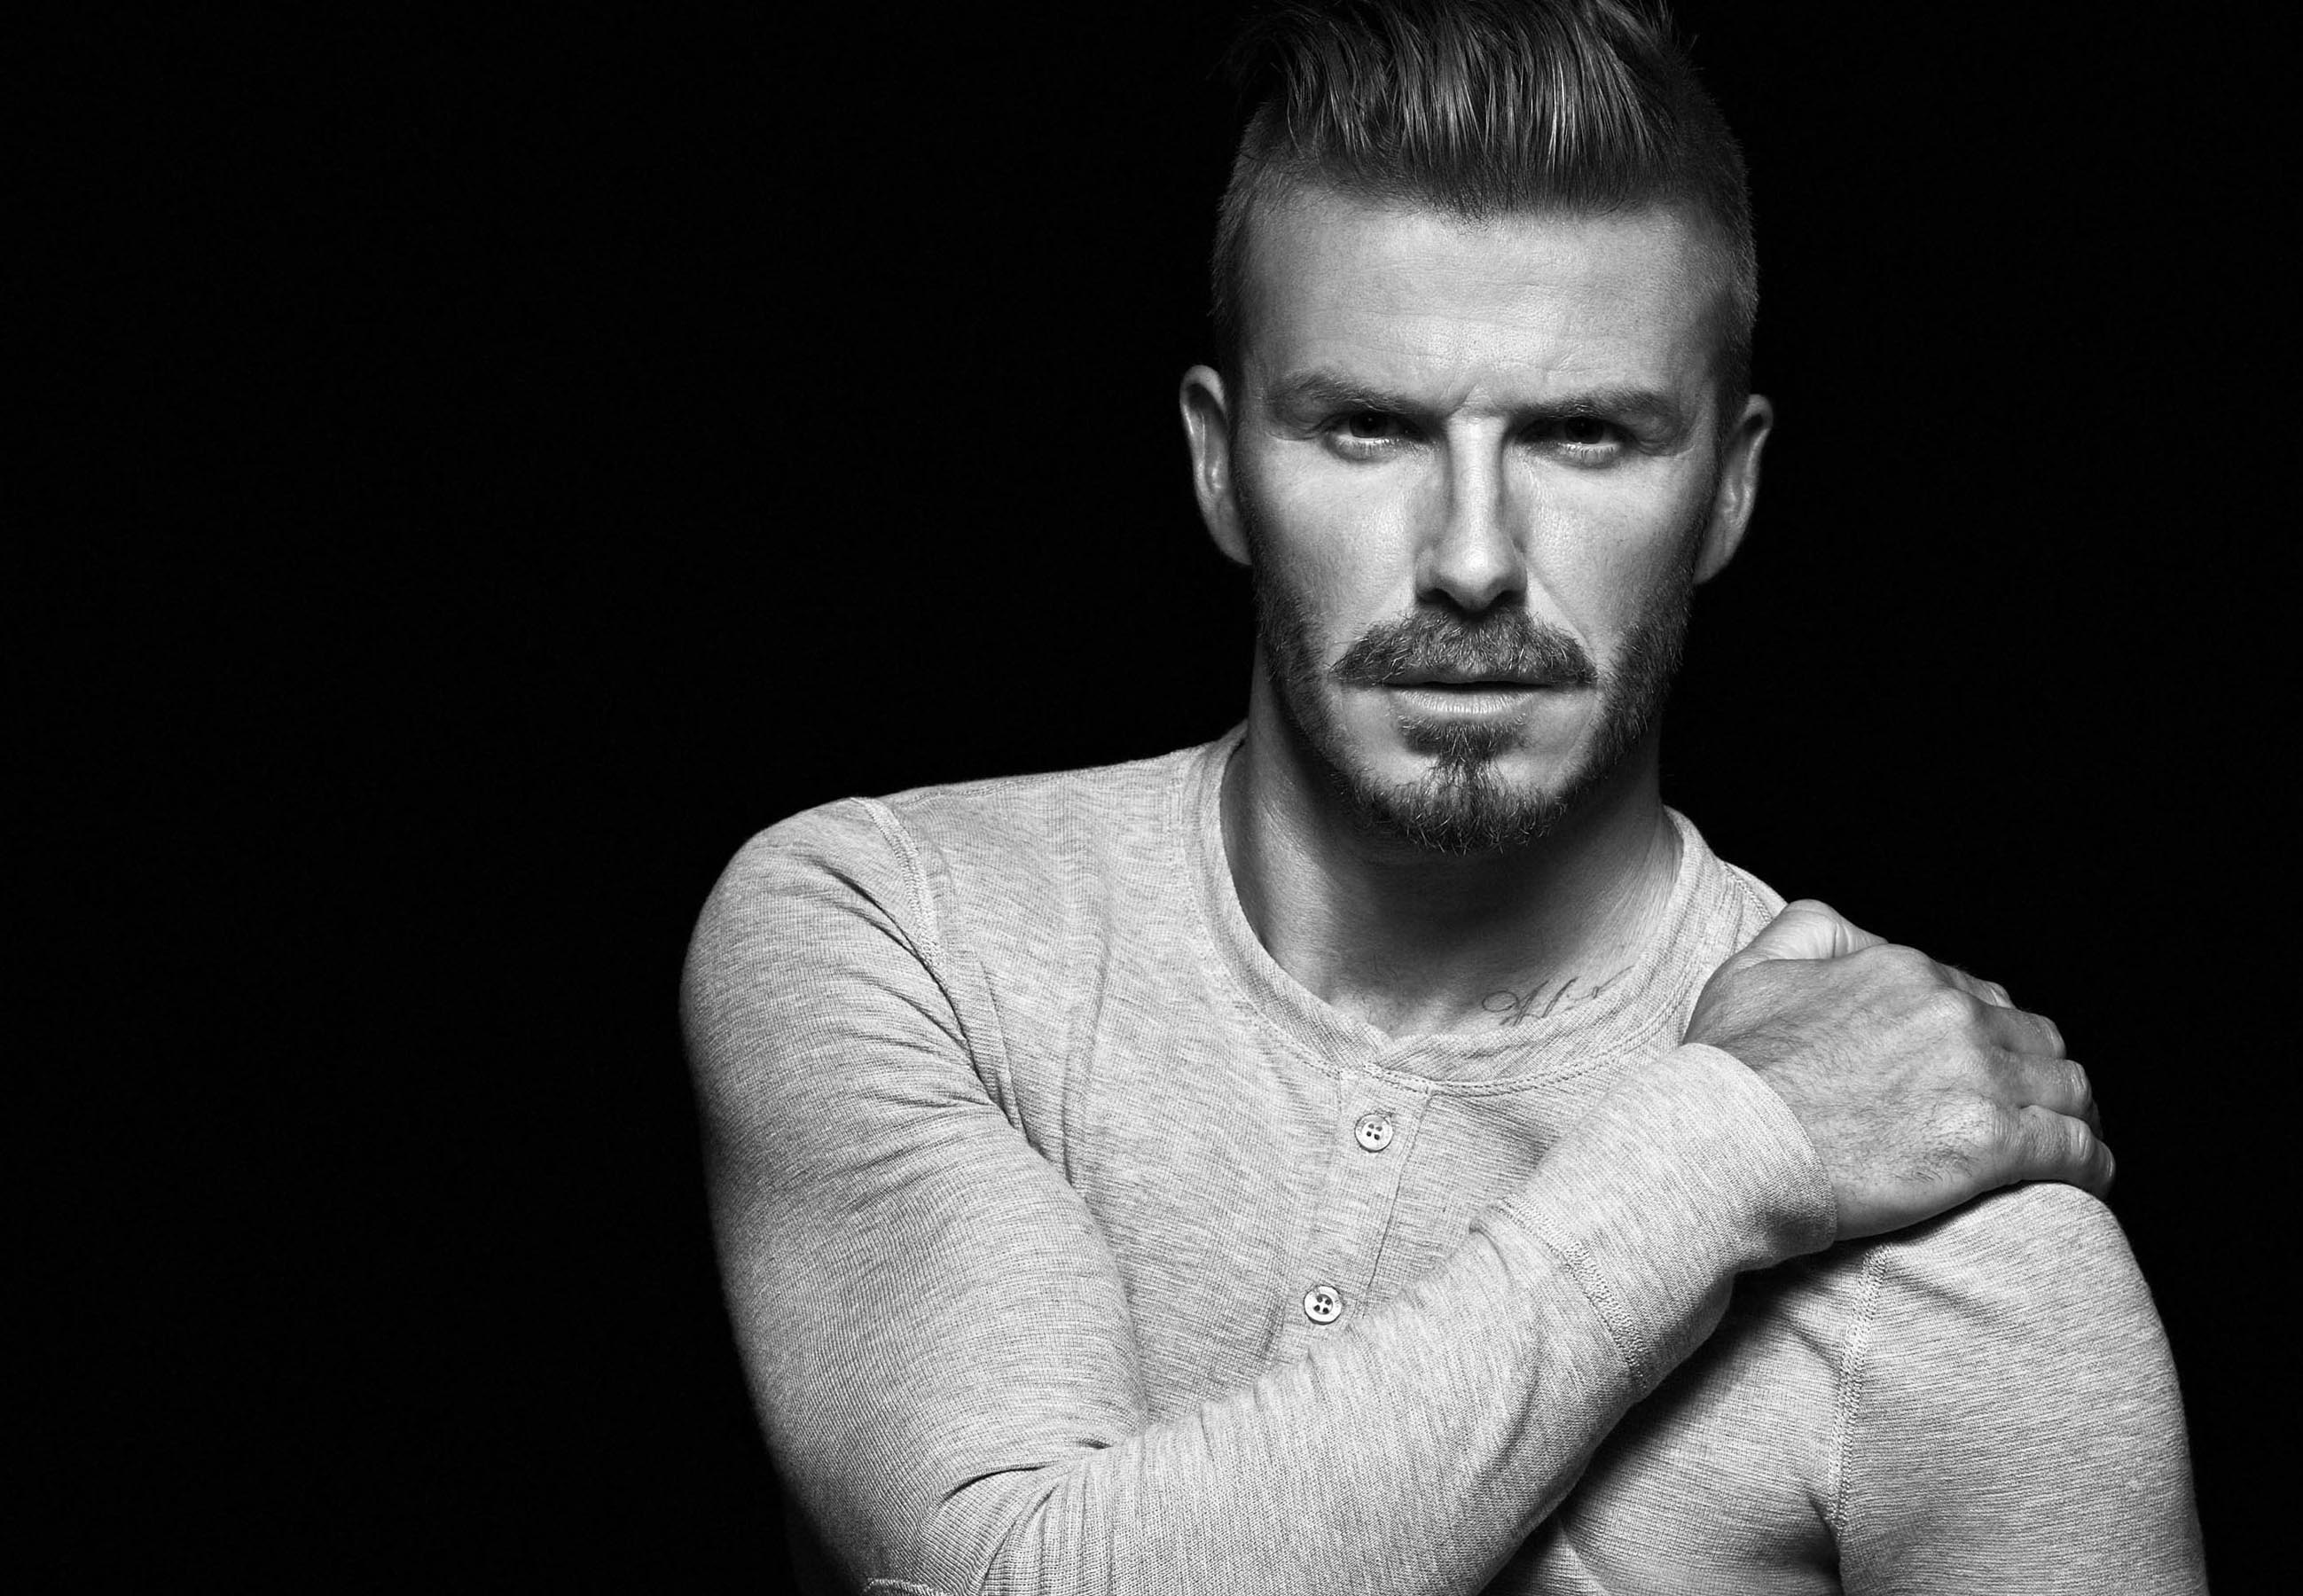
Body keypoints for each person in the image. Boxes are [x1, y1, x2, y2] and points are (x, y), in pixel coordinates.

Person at [681, 1, 2205, 1589]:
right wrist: (1732, 1148)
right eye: (1368, 427)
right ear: (1220, 464)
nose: (1473, 559)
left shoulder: (1953, 1223)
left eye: (1584, 435)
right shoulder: (897, 931)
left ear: (1729, 487)